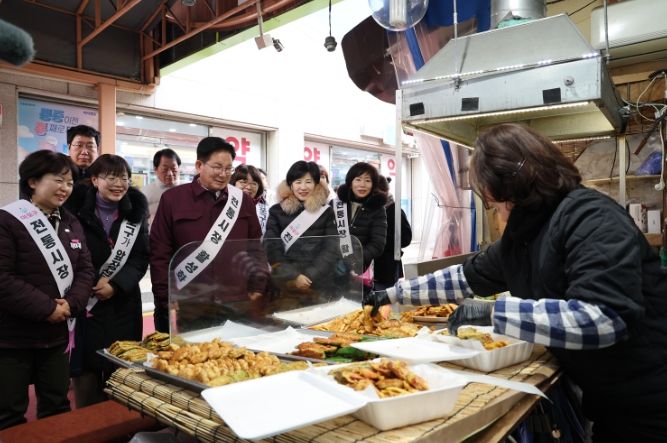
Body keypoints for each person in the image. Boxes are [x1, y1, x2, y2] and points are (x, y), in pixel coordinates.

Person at [365, 123, 667, 442]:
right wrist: (393, 295)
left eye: (491, 198)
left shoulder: (590, 218)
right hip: (611, 399)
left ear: (510, 185)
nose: (492, 207)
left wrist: (494, 313)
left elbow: (603, 318)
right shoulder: (526, 233)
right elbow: (465, 276)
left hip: (652, 399)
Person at [0, 151, 94, 429]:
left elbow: (86, 270)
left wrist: (71, 304)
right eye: (58, 180)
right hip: (12, 338)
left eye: (70, 182)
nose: (65, 188)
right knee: (10, 413)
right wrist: (48, 308)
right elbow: (3, 278)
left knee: (58, 407)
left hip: (56, 337)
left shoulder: (71, 222)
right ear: (32, 181)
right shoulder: (8, 220)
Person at [150, 137, 265, 332]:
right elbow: (159, 252)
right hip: (192, 303)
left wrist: (258, 286)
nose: (223, 174)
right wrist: (166, 294)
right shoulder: (173, 199)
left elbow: (255, 248)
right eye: (217, 167)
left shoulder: (243, 201)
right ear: (199, 166)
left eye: (228, 169)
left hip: (236, 301)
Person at [66, 154, 149, 407]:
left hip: (123, 303)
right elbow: (70, 253)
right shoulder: (73, 210)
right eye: (111, 177)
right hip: (85, 302)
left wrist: (116, 285)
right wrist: (91, 284)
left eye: (124, 178)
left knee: (122, 369)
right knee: (87, 372)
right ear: (94, 180)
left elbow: (140, 257)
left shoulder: (135, 213)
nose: (118, 184)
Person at [264, 161, 339, 308]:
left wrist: (310, 275)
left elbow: (331, 248)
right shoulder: (276, 211)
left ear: (316, 184)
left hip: (319, 283)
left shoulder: (326, 212)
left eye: (308, 182)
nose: (303, 187)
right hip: (285, 283)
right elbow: (271, 246)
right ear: (291, 185)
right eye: (298, 182)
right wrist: (293, 276)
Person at [334, 162, 387, 290]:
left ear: (373, 184)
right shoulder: (336, 204)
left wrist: (354, 261)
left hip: (359, 270)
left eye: (367, 180)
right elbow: (326, 235)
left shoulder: (378, 209)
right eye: (358, 179)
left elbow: (377, 244)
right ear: (350, 182)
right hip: (331, 267)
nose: (362, 185)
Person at [373, 175, 412, 290]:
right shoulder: (369, 210)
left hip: (388, 265)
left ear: (385, 191)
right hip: (370, 266)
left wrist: (381, 242)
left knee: (385, 296)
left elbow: (406, 238)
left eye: (376, 193)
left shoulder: (395, 210)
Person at [142, 148, 181, 225]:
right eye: (165, 169)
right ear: (155, 169)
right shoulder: (146, 191)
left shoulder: (187, 190)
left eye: (173, 169)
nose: (170, 174)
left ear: (179, 169)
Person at [230, 165, 268, 235]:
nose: (249, 187)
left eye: (254, 184)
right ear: (233, 183)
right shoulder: (223, 205)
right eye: (244, 182)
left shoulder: (265, 210)